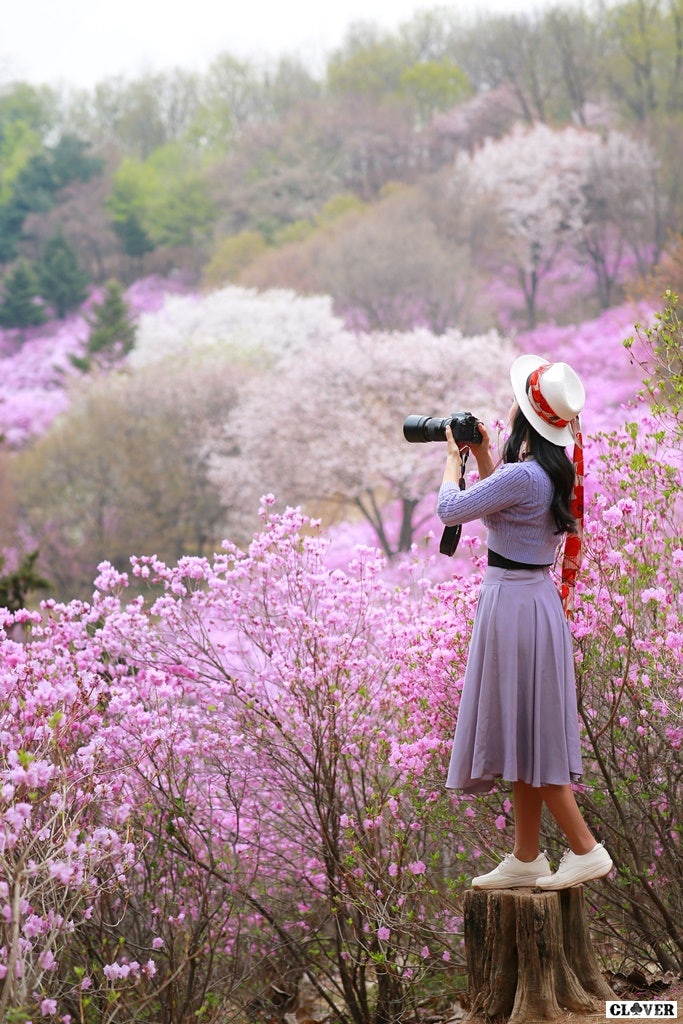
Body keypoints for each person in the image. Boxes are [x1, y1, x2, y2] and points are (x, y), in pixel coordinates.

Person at [437, 355, 612, 890]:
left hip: (513, 604)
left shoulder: (524, 475)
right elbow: (502, 507)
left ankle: (586, 850)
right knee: (524, 729)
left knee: (533, 736)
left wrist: (452, 461)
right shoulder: (552, 471)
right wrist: (486, 454)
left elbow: (452, 510)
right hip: (532, 600)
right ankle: (527, 855)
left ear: (525, 418)